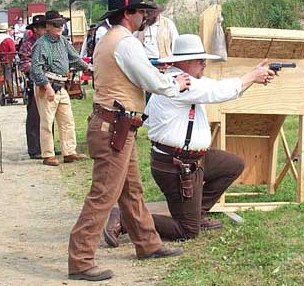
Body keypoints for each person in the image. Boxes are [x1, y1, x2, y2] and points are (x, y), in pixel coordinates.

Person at [67, 0, 192, 282]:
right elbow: (149, 80)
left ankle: (147, 243)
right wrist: (177, 84)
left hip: (116, 126)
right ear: (128, 14)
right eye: (140, 11)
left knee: (131, 190)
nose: (145, 15)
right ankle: (81, 260)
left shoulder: (111, 38)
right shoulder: (125, 42)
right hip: (115, 126)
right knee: (103, 195)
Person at [103, 34, 277, 246]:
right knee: (186, 231)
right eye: (199, 60)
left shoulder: (181, 80)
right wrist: (252, 76)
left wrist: (252, 78)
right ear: (184, 62)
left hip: (189, 159)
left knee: (233, 164)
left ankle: (198, 212)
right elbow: (217, 91)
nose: (204, 64)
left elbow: (217, 87)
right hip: (177, 165)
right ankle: (126, 218)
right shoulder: (182, 84)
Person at [30, 11, 89, 166]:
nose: (60, 27)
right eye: (56, 24)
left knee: (67, 120)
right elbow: (36, 69)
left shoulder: (63, 41)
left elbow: (75, 59)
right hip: (48, 85)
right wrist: (47, 86)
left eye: (61, 24)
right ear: (47, 26)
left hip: (61, 85)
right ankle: (48, 155)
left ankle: (69, 152)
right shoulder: (41, 44)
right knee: (47, 122)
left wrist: (88, 69)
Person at [18, 15, 47, 159]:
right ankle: (34, 149)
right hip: (35, 83)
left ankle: (48, 146)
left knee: (48, 117)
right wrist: (39, 69)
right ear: (35, 29)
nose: (45, 29)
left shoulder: (48, 42)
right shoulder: (28, 44)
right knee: (34, 117)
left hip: (49, 82)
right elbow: (24, 64)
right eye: (42, 27)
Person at [0, 23, 17, 97]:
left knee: (0, 78)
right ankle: (11, 94)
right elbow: (12, 51)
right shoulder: (9, 40)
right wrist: (9, 59)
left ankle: (0, 95)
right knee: (9, 78)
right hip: (7, 61)